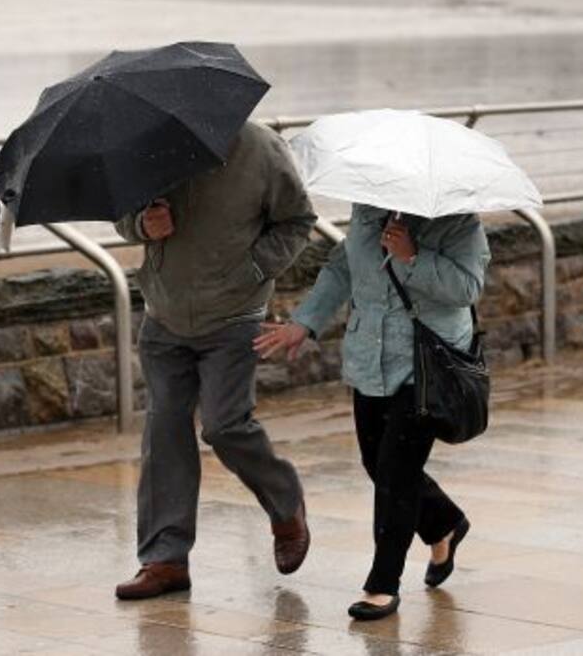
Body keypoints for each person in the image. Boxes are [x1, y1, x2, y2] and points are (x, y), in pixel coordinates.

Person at [112, 120, 318, 600]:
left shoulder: (262, 147)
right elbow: (122, 214)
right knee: (164, 434)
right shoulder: (149, 145)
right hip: (164, 316)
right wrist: (143, 224)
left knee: (225, 426)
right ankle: (164, 559)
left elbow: (297, 221)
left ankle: (286, 504)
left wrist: (252, 269)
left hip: (234, 315)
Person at [254, 205, 490, 621]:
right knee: (376, 463)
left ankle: (382, 584)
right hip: (369, 360)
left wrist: (414, 256)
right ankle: (444, 523)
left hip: (424, 366)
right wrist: (304, 324)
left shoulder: (458, 222)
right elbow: (342, 269)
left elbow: (467, 288)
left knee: (396, 474)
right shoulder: (368, 212)